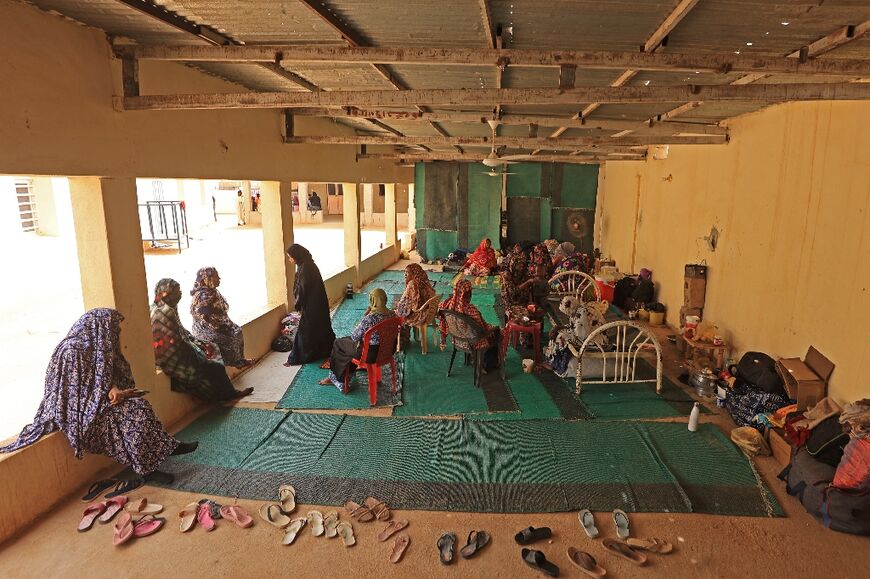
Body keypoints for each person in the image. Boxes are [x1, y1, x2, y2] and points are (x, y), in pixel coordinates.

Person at [0, 309, 197, 480]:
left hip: (93, 404)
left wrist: (114, 390)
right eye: (114, 328)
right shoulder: (71, 351)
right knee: (131, 417)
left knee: (140, 406)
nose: (116, 333)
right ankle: (147, 470)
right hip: (79, 417)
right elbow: (75, 396)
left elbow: (97, 379)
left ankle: (166, 446)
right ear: (100, 327)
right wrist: (109, 394)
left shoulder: (94, 348)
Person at [151, 279, 252, 401]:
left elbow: (181, 333)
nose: (180, 294)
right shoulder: (165, 312)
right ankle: (228, 394)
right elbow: (176, 342)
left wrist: (197, 343)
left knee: (211, 348)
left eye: (180, 290)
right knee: (214, 365)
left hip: (178, 350)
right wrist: (198, 351)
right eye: (177, 292)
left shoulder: (166, 307)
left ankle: (224, 393)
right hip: (172, 358)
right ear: (166, 294)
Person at [318, 288, 396, 391]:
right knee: (346, 344)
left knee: (338, 343)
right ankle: (348, 373)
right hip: (387, 351)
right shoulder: (393, 315)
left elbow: (355, 336)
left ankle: (338, 379)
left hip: (370, 355)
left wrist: (366, 315)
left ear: (373, 300)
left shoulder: (370, 318)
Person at [190, 267, 253, 369]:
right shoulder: (202, 296)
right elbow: (206, 319)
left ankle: (239, 360)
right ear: (207, 279)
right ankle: (230, 363)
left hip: (217, 324)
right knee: (225, 339)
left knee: (238, 331)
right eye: (216, 276)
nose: (219, 278)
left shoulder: (213, 291)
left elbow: (222, 312)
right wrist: (223, 328)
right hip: (204, 328)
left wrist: (227, 325)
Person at [284, 244, 335, 365]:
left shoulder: (305, 268)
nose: (290, 260)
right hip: (318, 303)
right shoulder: (308, 265)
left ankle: (298, 357)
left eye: (290, 257)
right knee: (320, 326)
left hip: (312, 305)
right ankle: (325, 350)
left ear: (296, 256)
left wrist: (298, 305)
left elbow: (303, 289)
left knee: (306, 329)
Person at [438, 279, 501, 372]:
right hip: (473, 342)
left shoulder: (445, 304)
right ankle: (487, 364)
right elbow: (482, 328)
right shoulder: (470, 310)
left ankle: (472, 358)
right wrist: (494, 328)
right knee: (496, 333)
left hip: (456, 340)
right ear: (467, 294)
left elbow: (439, 316)